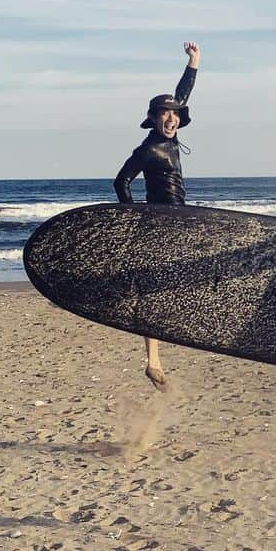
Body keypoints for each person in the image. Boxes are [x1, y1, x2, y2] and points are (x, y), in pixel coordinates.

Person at [114, 41, 201, 388]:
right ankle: (153, 360)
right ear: (152, 119)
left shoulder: (172, 136)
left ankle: (159, 351)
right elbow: (121, 181)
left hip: (180, 220)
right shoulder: (148, 148)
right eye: (164, 114)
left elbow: (181, 93)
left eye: (175, 114)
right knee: (154, 289)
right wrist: (133, 216)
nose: (171, 117)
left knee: (169, 284)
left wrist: (193, 62)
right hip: (161, 224)